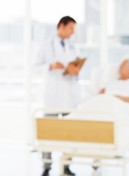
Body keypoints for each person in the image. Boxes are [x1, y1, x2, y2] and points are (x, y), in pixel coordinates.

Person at [35, 16, 80, 176]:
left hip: (69, 96)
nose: (72, 32)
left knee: (70, 132)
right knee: (49, 132)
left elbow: (76, 68)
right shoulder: (46, 45)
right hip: (52, 97)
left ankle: (66, 165)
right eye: (71, 28)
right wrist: (50, 66)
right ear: (61, 26)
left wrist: (75, 71)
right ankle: (46, 166)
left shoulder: (72, 47)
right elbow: (35, 66)